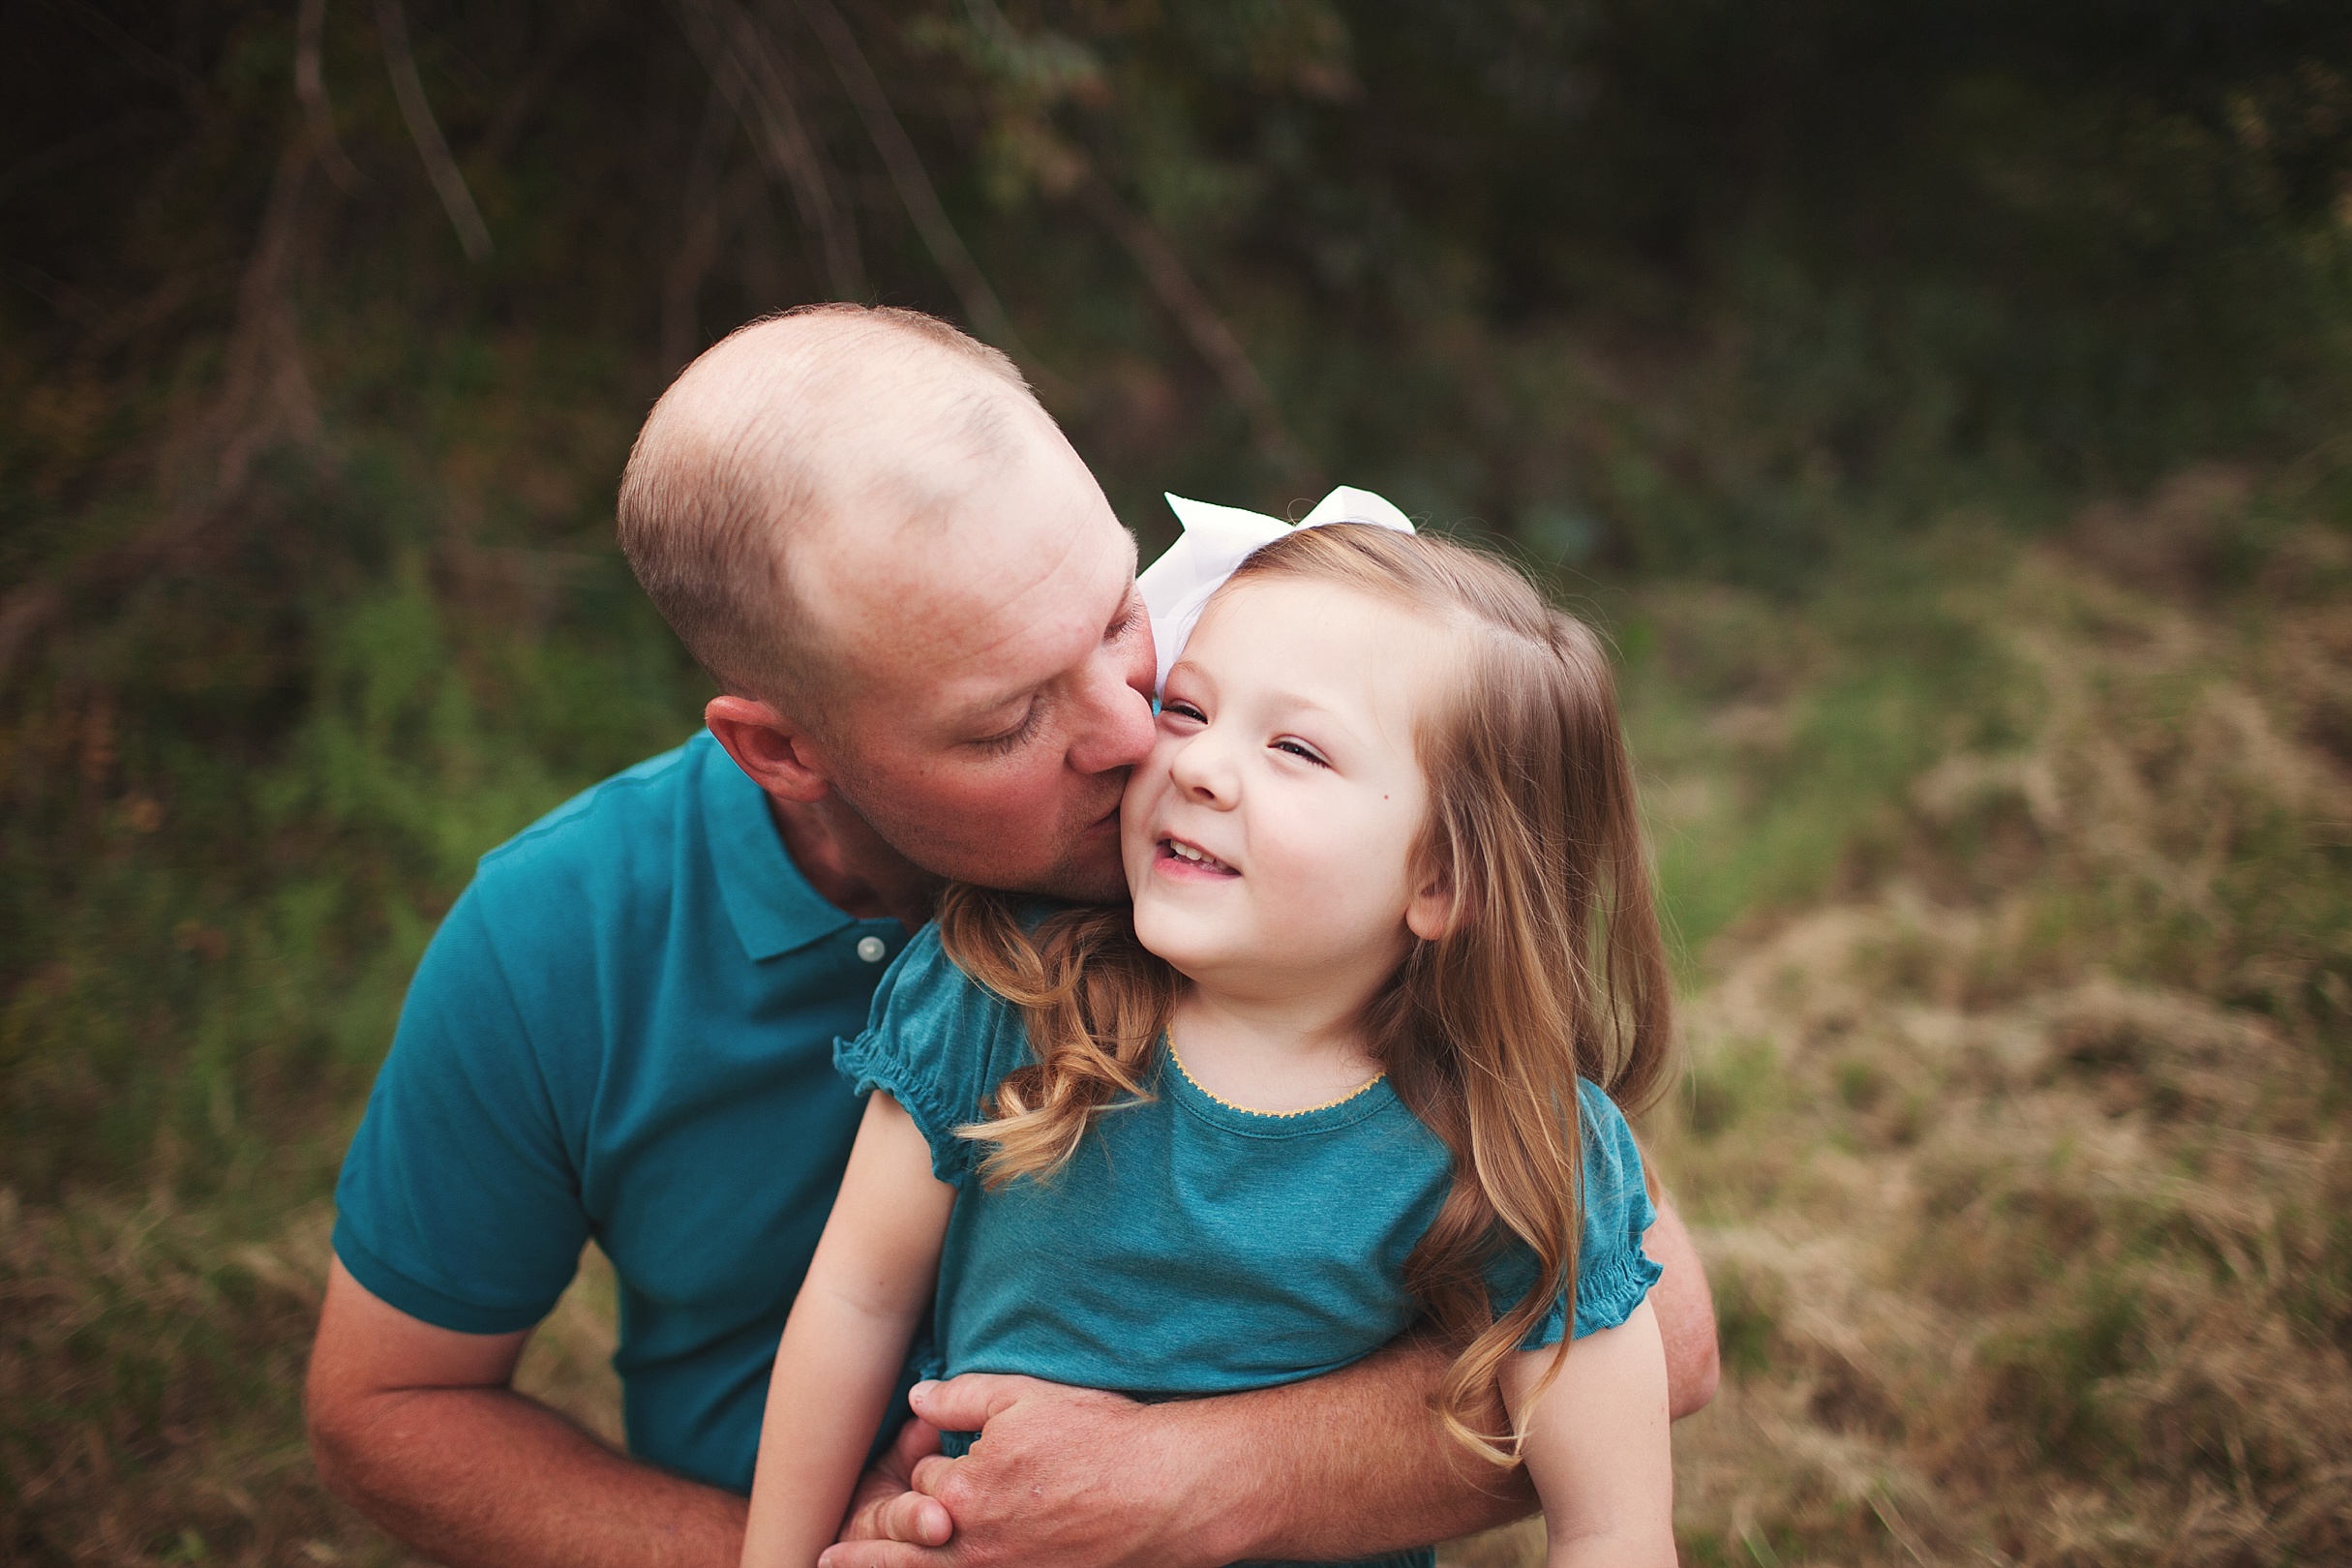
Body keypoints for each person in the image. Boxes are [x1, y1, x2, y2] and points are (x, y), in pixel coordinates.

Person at [305, 304, 1719, 1568]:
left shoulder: (1263, 826)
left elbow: (1645, 1333)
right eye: (1005, 722)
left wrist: (1181, 1487)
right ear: (783, 749)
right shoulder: (557, 935)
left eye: (1118, 614)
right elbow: (389, 1408)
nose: (1135, 738)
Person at [743, 515, 1677, 1568]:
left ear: (1443, 880)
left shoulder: (1514, 1142)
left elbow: (1613, 1526)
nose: (1200, 767)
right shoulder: (1003, 995)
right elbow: (858, 1298)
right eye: (1186, 709)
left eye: (1296, 748)